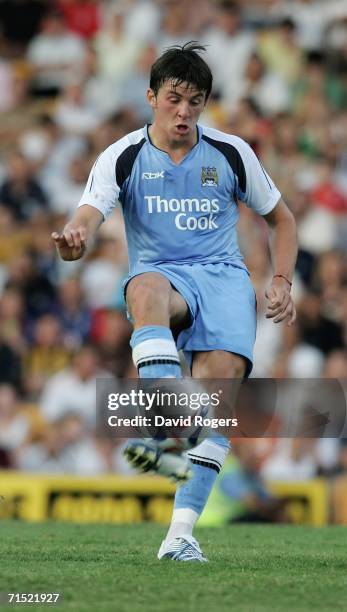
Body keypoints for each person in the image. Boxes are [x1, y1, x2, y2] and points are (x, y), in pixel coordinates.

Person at [52, 43, 297, 562]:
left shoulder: (231, 152)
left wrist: (281, 279)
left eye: (195, 101)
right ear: (151, 97)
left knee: (217, 410)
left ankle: (180, 536)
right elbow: (88, 213)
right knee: (143, 289)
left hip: (226, 281)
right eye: (174, 98)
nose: (184, 111)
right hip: (164, 274)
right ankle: (164, 419)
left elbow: (283, 219)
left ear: (206, 103)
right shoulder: (122, 155)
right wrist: (75, 236)